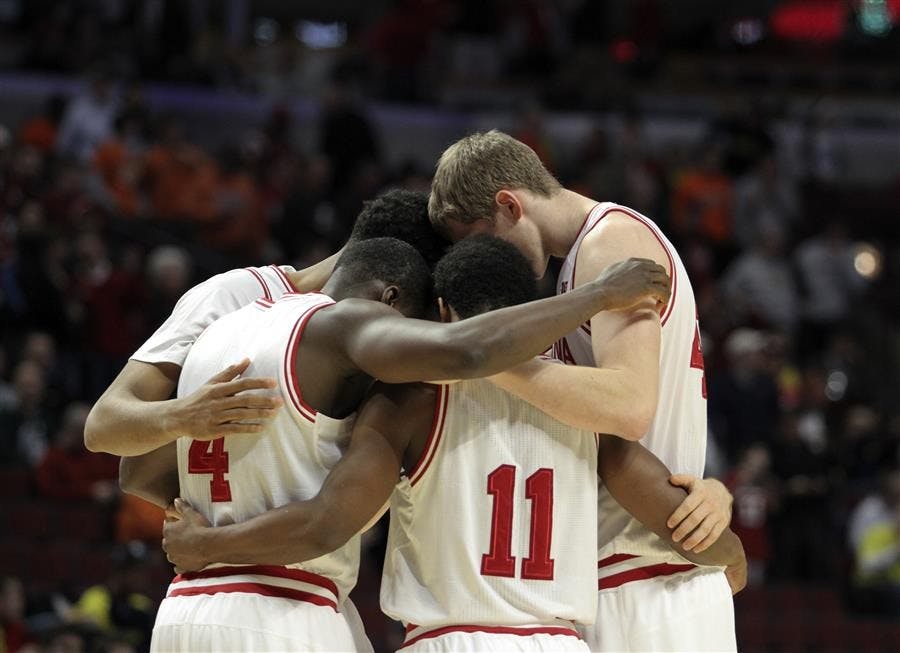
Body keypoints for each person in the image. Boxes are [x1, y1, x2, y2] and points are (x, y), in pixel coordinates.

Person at [159, 236, 745, 652]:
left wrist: (206, 544)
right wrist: (732, 555)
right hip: (557, 642)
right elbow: (683, 529)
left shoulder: (409, 401)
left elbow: (327, 521)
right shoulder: (586, 410)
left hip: (447, 641)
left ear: (441, 312)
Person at [428, 130, 737, 651]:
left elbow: (628, 407)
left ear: (509, 204)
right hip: (627, 575)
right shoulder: (579, 267)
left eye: (479, 238)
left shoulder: (609, 242)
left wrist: (482, 359)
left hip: (649, 577)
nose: (484, 258)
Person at [84, 189, 442, 458]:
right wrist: (183, 417)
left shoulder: (349, 349)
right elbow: (104, 426)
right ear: (389, 277)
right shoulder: (232, 295)